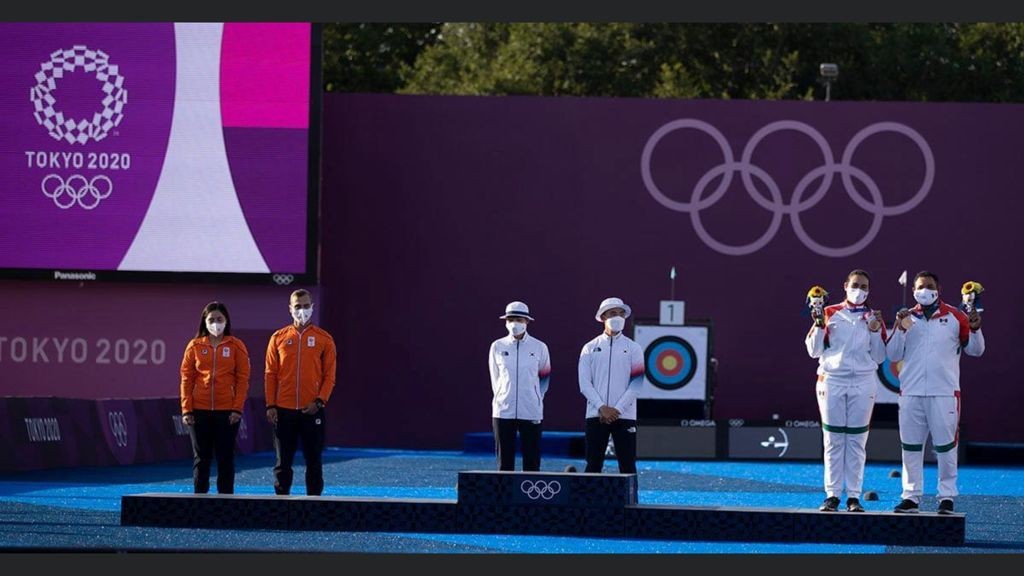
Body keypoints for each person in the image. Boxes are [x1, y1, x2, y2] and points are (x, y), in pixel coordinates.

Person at [887, 271, 984, 514]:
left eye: (930, 286)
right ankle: (911, 497)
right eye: (920, 286)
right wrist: (899, 328)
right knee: (910, 447)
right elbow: (893, 354)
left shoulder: (956, 316)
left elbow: (976, 350)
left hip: (944, 393)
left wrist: (975, 330)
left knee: (946, 448)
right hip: (911, 393)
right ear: (913, 291)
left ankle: (946, 497)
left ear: (938, 289)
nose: (925, 290)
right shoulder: (906, 317)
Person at [805, 270, 886, 512]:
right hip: (832, 381)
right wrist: (819, 325)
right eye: (855, 284)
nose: (859, 290)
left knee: (857, 441)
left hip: (863, 383)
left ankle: (853, 497)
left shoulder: (874, 317)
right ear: (845, 286)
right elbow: (813, 351)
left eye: (864, 286)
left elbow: (879, 356)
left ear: (869, 290)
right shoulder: (829, 313)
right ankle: (832, 496)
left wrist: (875, 331)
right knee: (833, 440)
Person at [265, 289, 337, 496]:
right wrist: (271, 405)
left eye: (306, 306)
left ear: (312, 307)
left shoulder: (324, 339)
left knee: (313, 460)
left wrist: (319, 402)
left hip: (312, 410)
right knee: (282, 462)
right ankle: (280, 503)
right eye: (298, 306)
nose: (302, 310)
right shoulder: (278, 338)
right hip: (283, 410)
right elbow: (270, 374)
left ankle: (314, 503)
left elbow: (329, 376)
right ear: (290, 309)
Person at [179, 301, 250, 494]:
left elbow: (243, 379)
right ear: (204, 321)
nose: (215, 323)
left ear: (226, 320)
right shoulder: (194, 346)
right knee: (201, 458)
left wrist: (237, 409)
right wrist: (187, 409)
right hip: (199, 411)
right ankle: (200, 500)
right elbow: (186, 379)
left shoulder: (236, 346)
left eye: (219, 319)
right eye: (211, 320)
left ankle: (225, 500)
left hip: (227, 412)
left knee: (225, 458)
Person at [578, 297, 644, 474]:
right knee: (593, 465)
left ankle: (630, 495)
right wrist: (602, 407)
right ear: (603, 317)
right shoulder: (589, 348)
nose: (618, 317)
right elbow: (584, 383)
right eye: (613, 313)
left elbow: (636, 384)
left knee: (628, 466)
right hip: (596, 414)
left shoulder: (634, 348)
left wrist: (617, 410)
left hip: (625, 414)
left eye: (621, 314)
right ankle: (590, 493)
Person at [488, 301, 552, 471]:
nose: (514, 323)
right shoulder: (497, 346)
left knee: (532, 462)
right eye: (511, 319)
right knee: (504, 463)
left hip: (531, 410)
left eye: (519, 319)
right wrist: (503, 396)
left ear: (527, 321)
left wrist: (534, 398)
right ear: (505, 322)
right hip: (503, 410)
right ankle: (505, 489)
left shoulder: (539, 347)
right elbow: (495, 377)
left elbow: (544, 379)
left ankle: (530, 490)